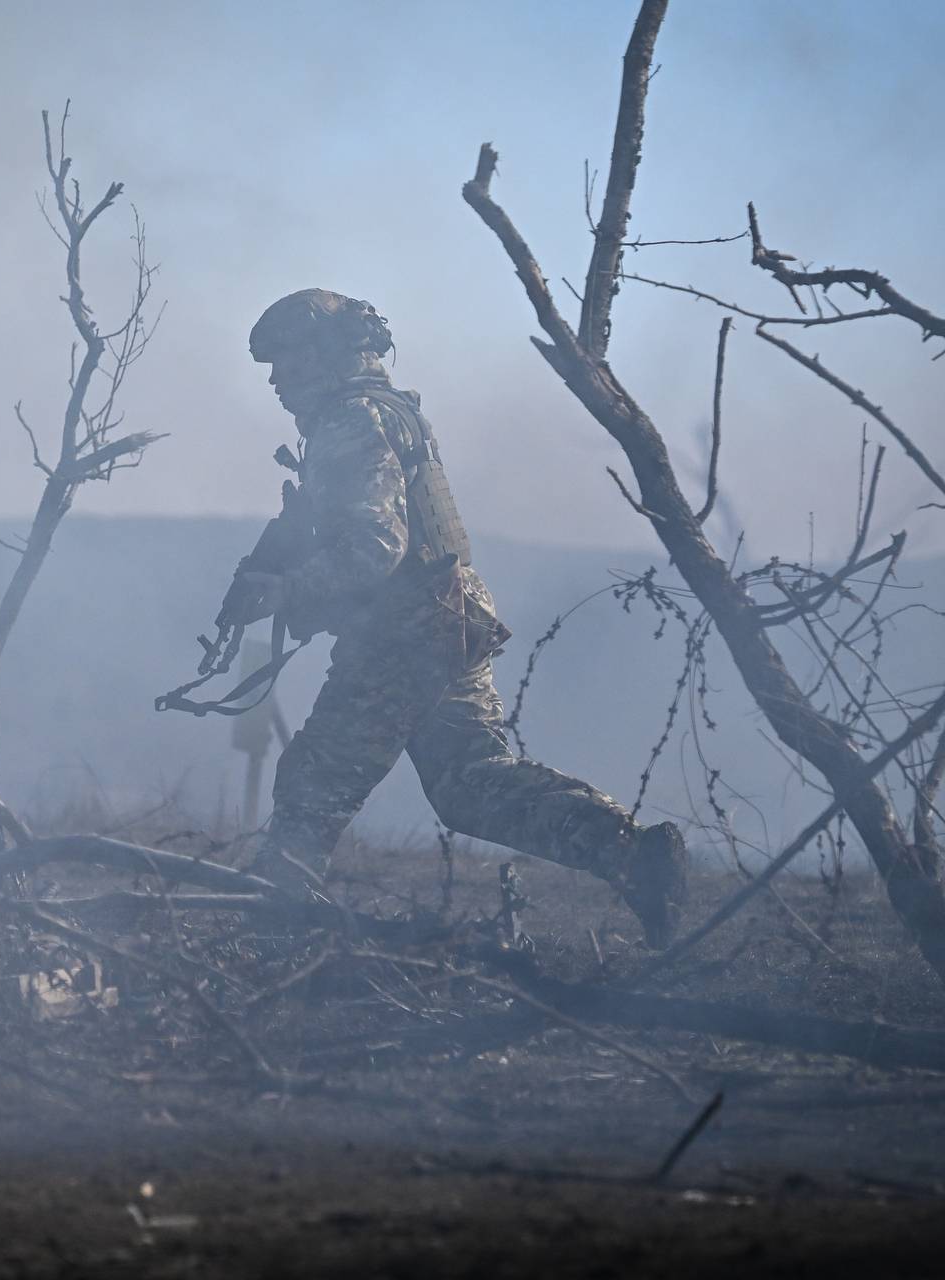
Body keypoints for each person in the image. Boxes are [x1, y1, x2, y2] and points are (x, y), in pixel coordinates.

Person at [222, 288, 687, 947]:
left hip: (406, 629)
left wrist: (287, 590)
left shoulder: (351, 422)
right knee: (468, 783)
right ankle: (634, 856)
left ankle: (273, 925)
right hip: (447, 616)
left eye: (289, 362)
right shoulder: (382, 414)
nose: (276, 380)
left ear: (328, 357)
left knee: (316, 778)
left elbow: (374, 546)